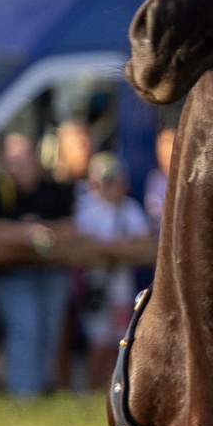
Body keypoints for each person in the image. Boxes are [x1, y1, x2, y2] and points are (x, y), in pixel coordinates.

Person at [0, 132, 77, 399]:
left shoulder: (53, 190)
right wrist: (26, 233)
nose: (17, 166)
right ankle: (24, 396)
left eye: (22, 160)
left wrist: (43, 231)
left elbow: (71, 227)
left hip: (50, 273)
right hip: (11, 275)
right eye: (11, 161)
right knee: (26, 328)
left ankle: (43, 390)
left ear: (35, 161)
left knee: (48, 332)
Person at [73, 151, 155, 393]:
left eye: (117, 181)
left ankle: (112, 390)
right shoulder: (86, 208)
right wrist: (115, 247)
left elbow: (145, 239)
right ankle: (91, 389)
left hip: (120, 287)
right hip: (95, 285)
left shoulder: (129, 209)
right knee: (97, 342)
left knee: (119, 341)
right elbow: (82, 241)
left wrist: (112, 247)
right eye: (108, 182)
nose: (114, 187)